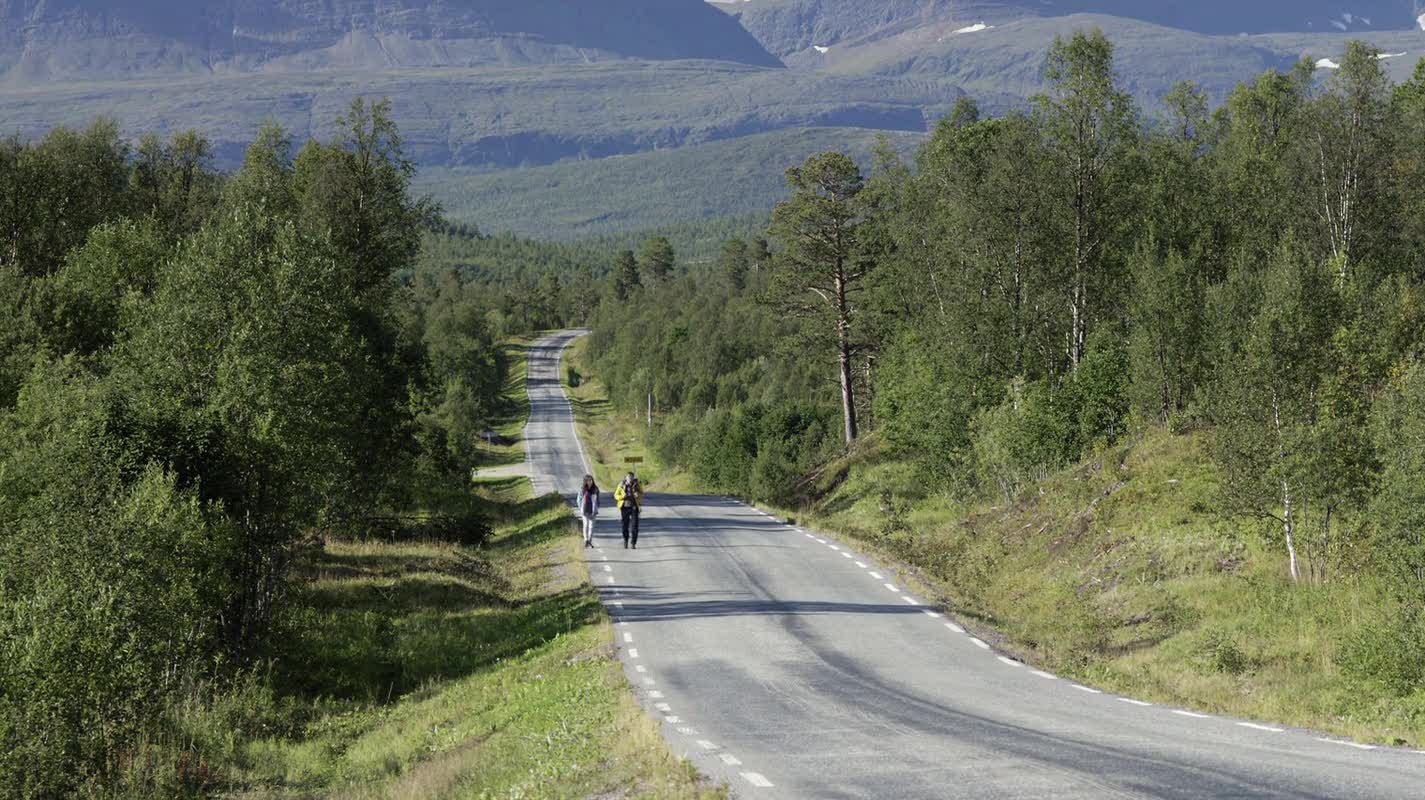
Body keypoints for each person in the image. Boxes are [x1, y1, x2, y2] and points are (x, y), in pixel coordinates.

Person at [614, 471, 644, 549]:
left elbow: (642, 493)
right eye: (628, 477)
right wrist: (621, 497)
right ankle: (625, 540)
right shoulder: (621, 485)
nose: (630, 479)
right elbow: (616, 495)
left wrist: (638, 494)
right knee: (625, 525)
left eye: (631, 477)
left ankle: (633, 543)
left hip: (634, 507)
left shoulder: (637, 484)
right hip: (624, 507)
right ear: (626, 478)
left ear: (633, 478)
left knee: (635, 526)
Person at [578, 474, 600, 548]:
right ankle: (586, 540)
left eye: (591, 480)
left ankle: (590, 540)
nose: (590, 482)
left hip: (593, 510)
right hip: (585, 510)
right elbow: (579, 500)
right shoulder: (582, 489)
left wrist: (597, 507)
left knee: (591, 526)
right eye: (588, 480)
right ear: (585, 481)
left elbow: (598, 500)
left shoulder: (596, 489)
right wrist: (581, 507)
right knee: (586, 525)